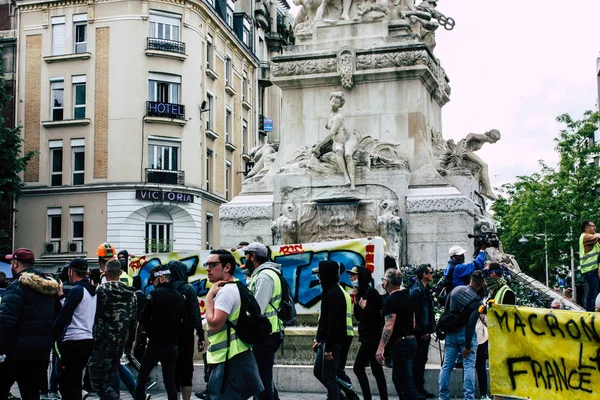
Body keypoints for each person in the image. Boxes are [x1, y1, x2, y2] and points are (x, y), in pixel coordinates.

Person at [0, 248, 60, 400]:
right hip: (41, 351)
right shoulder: (49, 287)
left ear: (15, 264)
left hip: (18, 351)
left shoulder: (17, 286)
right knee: (31, 393)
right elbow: (57, 315)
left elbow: (7, 321)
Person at [204, 249, 263, 400]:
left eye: (212, 264)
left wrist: (209, 297)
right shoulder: (236, 286)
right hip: (238, 354)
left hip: (229, 358)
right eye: (207, 264)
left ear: (227, 267)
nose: (207, 268)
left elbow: (214, 324)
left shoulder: (225, 292)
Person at [134, 265, 186, 400]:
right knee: (170, 382)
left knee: (142, 378)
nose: (151, 282)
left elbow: (143, 320)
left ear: (161, 278)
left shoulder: (155, 294)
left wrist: (137, 340)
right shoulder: (180, 296)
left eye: (153, 279)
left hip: (155, 344)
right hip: (172, 345)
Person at [88, 258, 137, 400]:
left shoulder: (100, 291)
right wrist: (128, 346)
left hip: (101, 343)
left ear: (105, 272)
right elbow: (133, 322)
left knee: (97, 380)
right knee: (110, 377)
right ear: (121, 273)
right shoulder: (131, 294)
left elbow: (92, 314)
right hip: (120, 344)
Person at [242, 242, 283, 400]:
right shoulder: (264, 274)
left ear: (253, 256)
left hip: (266, 334)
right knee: (263, 377)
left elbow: (257, 308)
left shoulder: (265, 276)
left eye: (247, 255)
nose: (245, 259)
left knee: (261, 380)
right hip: (267, 332)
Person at [438, 271, 486, 400]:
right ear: (481, 284)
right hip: (466, 334)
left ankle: (443, 396)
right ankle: (468, 397)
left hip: (451, 334)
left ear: (470, 280)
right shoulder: (478, 303)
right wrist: (467, 345)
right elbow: (471, 325)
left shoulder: (456, 290)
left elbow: (446, 311)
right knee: (469, 366)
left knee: (447, 365)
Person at [54, 258, 97, 400]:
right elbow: (80, 311)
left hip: (73, 341)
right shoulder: (91, 290)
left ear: (71, 271)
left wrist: (53, 334)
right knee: (76, 380)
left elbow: (64, 315)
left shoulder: (76, 290)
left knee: (66, 383)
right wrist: (62, 297)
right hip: (87, 340)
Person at [375, 269, 419, 400]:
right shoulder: (408, 298)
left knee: (405, 382)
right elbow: (414, 323)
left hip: (401, 344)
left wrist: (381, 347)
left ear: (387, 282)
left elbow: (389, 325)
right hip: (411, 341)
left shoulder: (390, 300)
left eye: (383, 279)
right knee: (398, 379)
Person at [348, 266, 387, 400]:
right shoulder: (360, 293)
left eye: (354, 275)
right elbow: (359, 317)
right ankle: (383, 397)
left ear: (361, 277)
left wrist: (366, 307)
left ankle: (368, 397)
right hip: (366, 336)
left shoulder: (372, 292)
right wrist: (356, 303)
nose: (351, 278)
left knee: (358, 367)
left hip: (372, 337)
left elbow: (381, 314)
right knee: (376, 369)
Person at [312, 260, 350, 400]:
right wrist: (318, 338)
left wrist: (329, 348)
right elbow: (324, 320)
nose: (318, 278)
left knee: (329, 377)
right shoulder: (328, 292)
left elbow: (335, 324)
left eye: (320, 275)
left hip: (332, 342)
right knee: (319, 372)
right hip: (325, 340)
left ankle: (337, 397)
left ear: (326, 275)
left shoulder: (335, 294)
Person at [168, 260, 205, 400]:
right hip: (185, 335)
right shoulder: (188, 289)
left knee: (172, 369)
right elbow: (195, 314)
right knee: (186, 369)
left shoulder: (164, 288)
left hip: (168, 335)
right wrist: (201, 336)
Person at [312, 92, 358, 190]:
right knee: (338, 150)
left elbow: (331, 133)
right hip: (338, 142)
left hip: (348, 139)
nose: (333, 104)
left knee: (348, 155)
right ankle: (346, 177)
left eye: (336, 103)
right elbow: (327, 126)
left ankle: (353, 183)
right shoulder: (329, 114)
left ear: (340, 105)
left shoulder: (338, 117)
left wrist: (318, 146)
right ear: (330, 101)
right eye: (332, 101)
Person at [409, 264, 435, 399]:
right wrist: (423, 330)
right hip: (419, 333)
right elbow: (417, 314)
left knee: (422, 359)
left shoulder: (425, 290)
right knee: (418, 360)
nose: (432, 275)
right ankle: (415, 389)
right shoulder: (416, 291)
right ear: (424, 274)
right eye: (430, 272)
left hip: (425, 330)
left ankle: (419, 387)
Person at [462, 130, 501, 200]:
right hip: (465, 151)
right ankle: (488, 190)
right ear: (493, 137)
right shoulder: (484, 137)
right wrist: (466, 140)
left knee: (481, 167)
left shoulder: (483, 139)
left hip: (467, 151)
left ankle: (483, 188)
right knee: (484, 166)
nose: (495, 142)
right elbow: (471, 134)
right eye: (496, 140)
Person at [578, 220, 600, 311]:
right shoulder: (585, 237)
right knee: (593, 293)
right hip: (590, 270)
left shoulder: (592, 239)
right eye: (593, 226)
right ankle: (591, 313)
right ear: (587, 228)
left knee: (595, 292)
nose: (595, 227)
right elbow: (598, 236)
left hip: (593, 270)